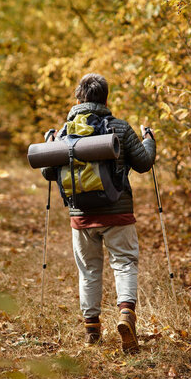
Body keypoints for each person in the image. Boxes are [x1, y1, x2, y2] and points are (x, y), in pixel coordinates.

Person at [44, 73, 156, 353]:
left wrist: (50, 141)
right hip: (118, 212)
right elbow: (143, 163)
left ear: (77, 98)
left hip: (81, 215)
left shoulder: (64, 131)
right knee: (125, 263)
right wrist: (149, 139)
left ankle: (92, 330)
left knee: (88, 270)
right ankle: (126, 314)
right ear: (105, 98)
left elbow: (47, 171)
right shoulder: (119, 127)